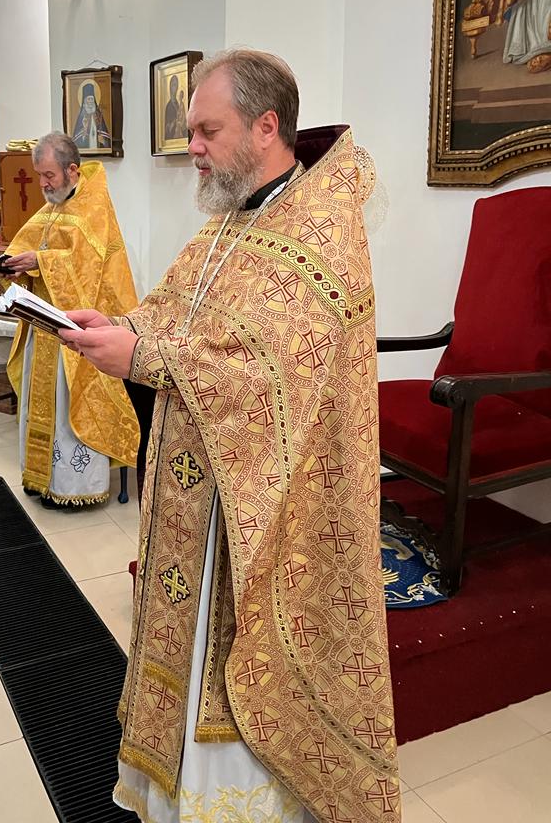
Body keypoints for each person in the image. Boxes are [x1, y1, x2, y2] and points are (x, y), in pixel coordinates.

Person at [59, 50, 400, 823]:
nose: (193, 149)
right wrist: (120, 326)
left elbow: (273, 367)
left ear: (265, 126)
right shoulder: (231, 221)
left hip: (262, 510)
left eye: (207, 131)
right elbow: (178, 308)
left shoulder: (321, 228)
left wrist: (144, 356)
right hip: (198, 489)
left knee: (236, 661)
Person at [2, 131, 139, 507]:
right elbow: (30, 243)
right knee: (44, 403)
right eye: (40, 176)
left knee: (69, 404)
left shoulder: (92, 206)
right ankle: (40, 479)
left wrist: (40, 260)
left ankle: (74, 487)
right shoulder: (55, 206)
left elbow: (87, 266)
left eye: (49, 175)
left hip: (78, 328)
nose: (43, 184)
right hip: (43, 322)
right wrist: (17, 264)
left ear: (72, 170)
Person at [73, 81, 111, 150]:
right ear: (84, 103)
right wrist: (83, 137)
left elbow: (107, 140)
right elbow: (76, 141)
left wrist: (103, 141)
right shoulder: (82, 118)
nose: (90, 102)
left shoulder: (99, 116)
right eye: (88, 99)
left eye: (92, 99)